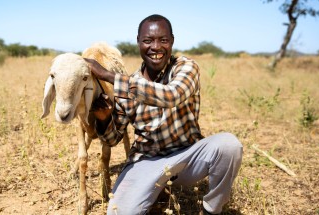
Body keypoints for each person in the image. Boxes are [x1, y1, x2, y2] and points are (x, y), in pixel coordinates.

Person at [85, 14, 243, 215]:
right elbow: (112, 139)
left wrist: (107, 75)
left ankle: (211, 209)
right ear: (138, 43)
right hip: (147, 161)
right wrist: (104, 118)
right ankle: (156, 190)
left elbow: (172, 96)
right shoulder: (127, 84)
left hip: (187, 157)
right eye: (148, 40)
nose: (156, 47)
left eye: (163, 40)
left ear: (172, 42)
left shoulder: (185, 68)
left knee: (228, 145)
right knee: (119, 212)